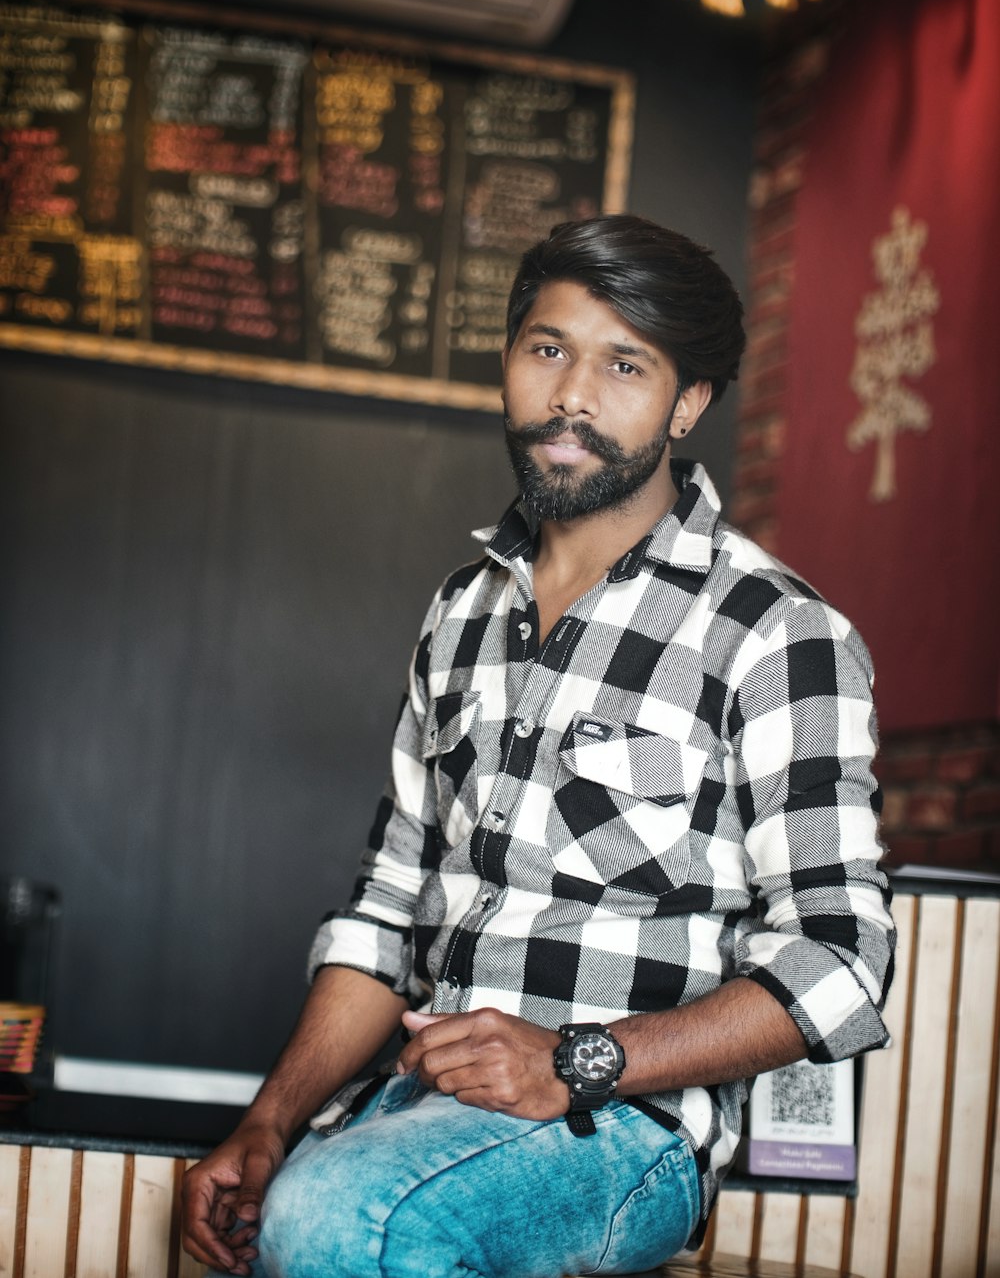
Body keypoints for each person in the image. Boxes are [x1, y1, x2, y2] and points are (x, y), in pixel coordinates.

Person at [182, 214, 895, 1278]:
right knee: (309, 1198)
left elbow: (840, 964)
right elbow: (388, 911)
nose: (571, 396)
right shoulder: (461, 613)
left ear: (686, 404)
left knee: (344, 1220)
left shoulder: (772, 632)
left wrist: (581, 1060)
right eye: (547, 349)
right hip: (413, 1105)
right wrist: (272, 1119)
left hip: (621, 1133)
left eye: (623, 365)